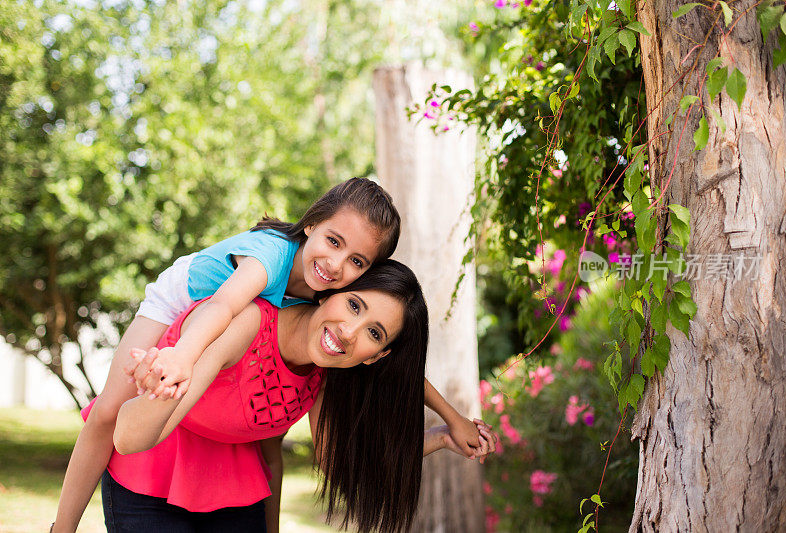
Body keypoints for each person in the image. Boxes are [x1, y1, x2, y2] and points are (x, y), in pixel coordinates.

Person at [53, 178, 483, 532]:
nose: (335, 265)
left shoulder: (323, 308)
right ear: (311, 224)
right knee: (109, 410)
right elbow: (221, 307)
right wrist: (181, 357)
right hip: (186, 297)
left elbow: (402, 373)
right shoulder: (271, 256)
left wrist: (450, 424)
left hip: (230, 342)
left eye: (355, 261)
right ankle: (62, 527)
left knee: (270, 446)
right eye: (333, 241)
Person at [105, 260, 496, 532]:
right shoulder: (247, 324)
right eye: (354, 304)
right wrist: (160, 384)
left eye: (374, 333)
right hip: (152, 478)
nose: (348, 331)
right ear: (330, 293)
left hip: (232, 485)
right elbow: (127, 438)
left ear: (376, 356)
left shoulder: (323, 376)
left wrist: (443, 433)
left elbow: (340, 462)